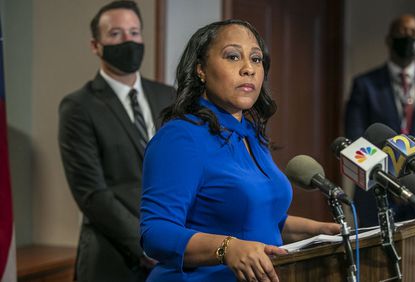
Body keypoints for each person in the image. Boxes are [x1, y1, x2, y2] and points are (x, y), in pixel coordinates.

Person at [140, 19, 341, 282]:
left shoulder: (251, 134)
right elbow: (155, 232)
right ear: (201, 69)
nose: (248, 69)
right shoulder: (181, 137)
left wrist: (321, 232)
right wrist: (227, 248)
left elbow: (263, 219)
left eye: (256, 59)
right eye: (233, 56)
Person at [58, 1, 176, 281]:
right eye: (116, 34)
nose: (128, 41)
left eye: (134, 32)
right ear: (95, 45)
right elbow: (92, 193)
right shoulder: (79, 106)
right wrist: (146, 243)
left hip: (173, 253)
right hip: (113, 259)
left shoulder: (168, 97)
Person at [344, 14, 415, 227]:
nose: (407, 38)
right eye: (402, 33)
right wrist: (392, 182)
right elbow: (355, 140)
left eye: (413, 34)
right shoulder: (364, 85)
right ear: (389, 39)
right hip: (377, 192)